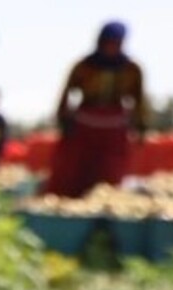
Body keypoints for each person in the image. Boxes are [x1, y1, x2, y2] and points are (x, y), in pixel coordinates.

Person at [46, 21, 148, 198]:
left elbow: (139, 99)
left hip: (114, 129)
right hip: (85, 126)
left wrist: (140, 125)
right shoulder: (83, 66)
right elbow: (67, 94)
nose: (111, 47)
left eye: (115, 43)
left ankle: (103, 205)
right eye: (107, 42)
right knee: (76, 170)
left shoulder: (132, 69)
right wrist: (63, 119)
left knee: (110, 171)